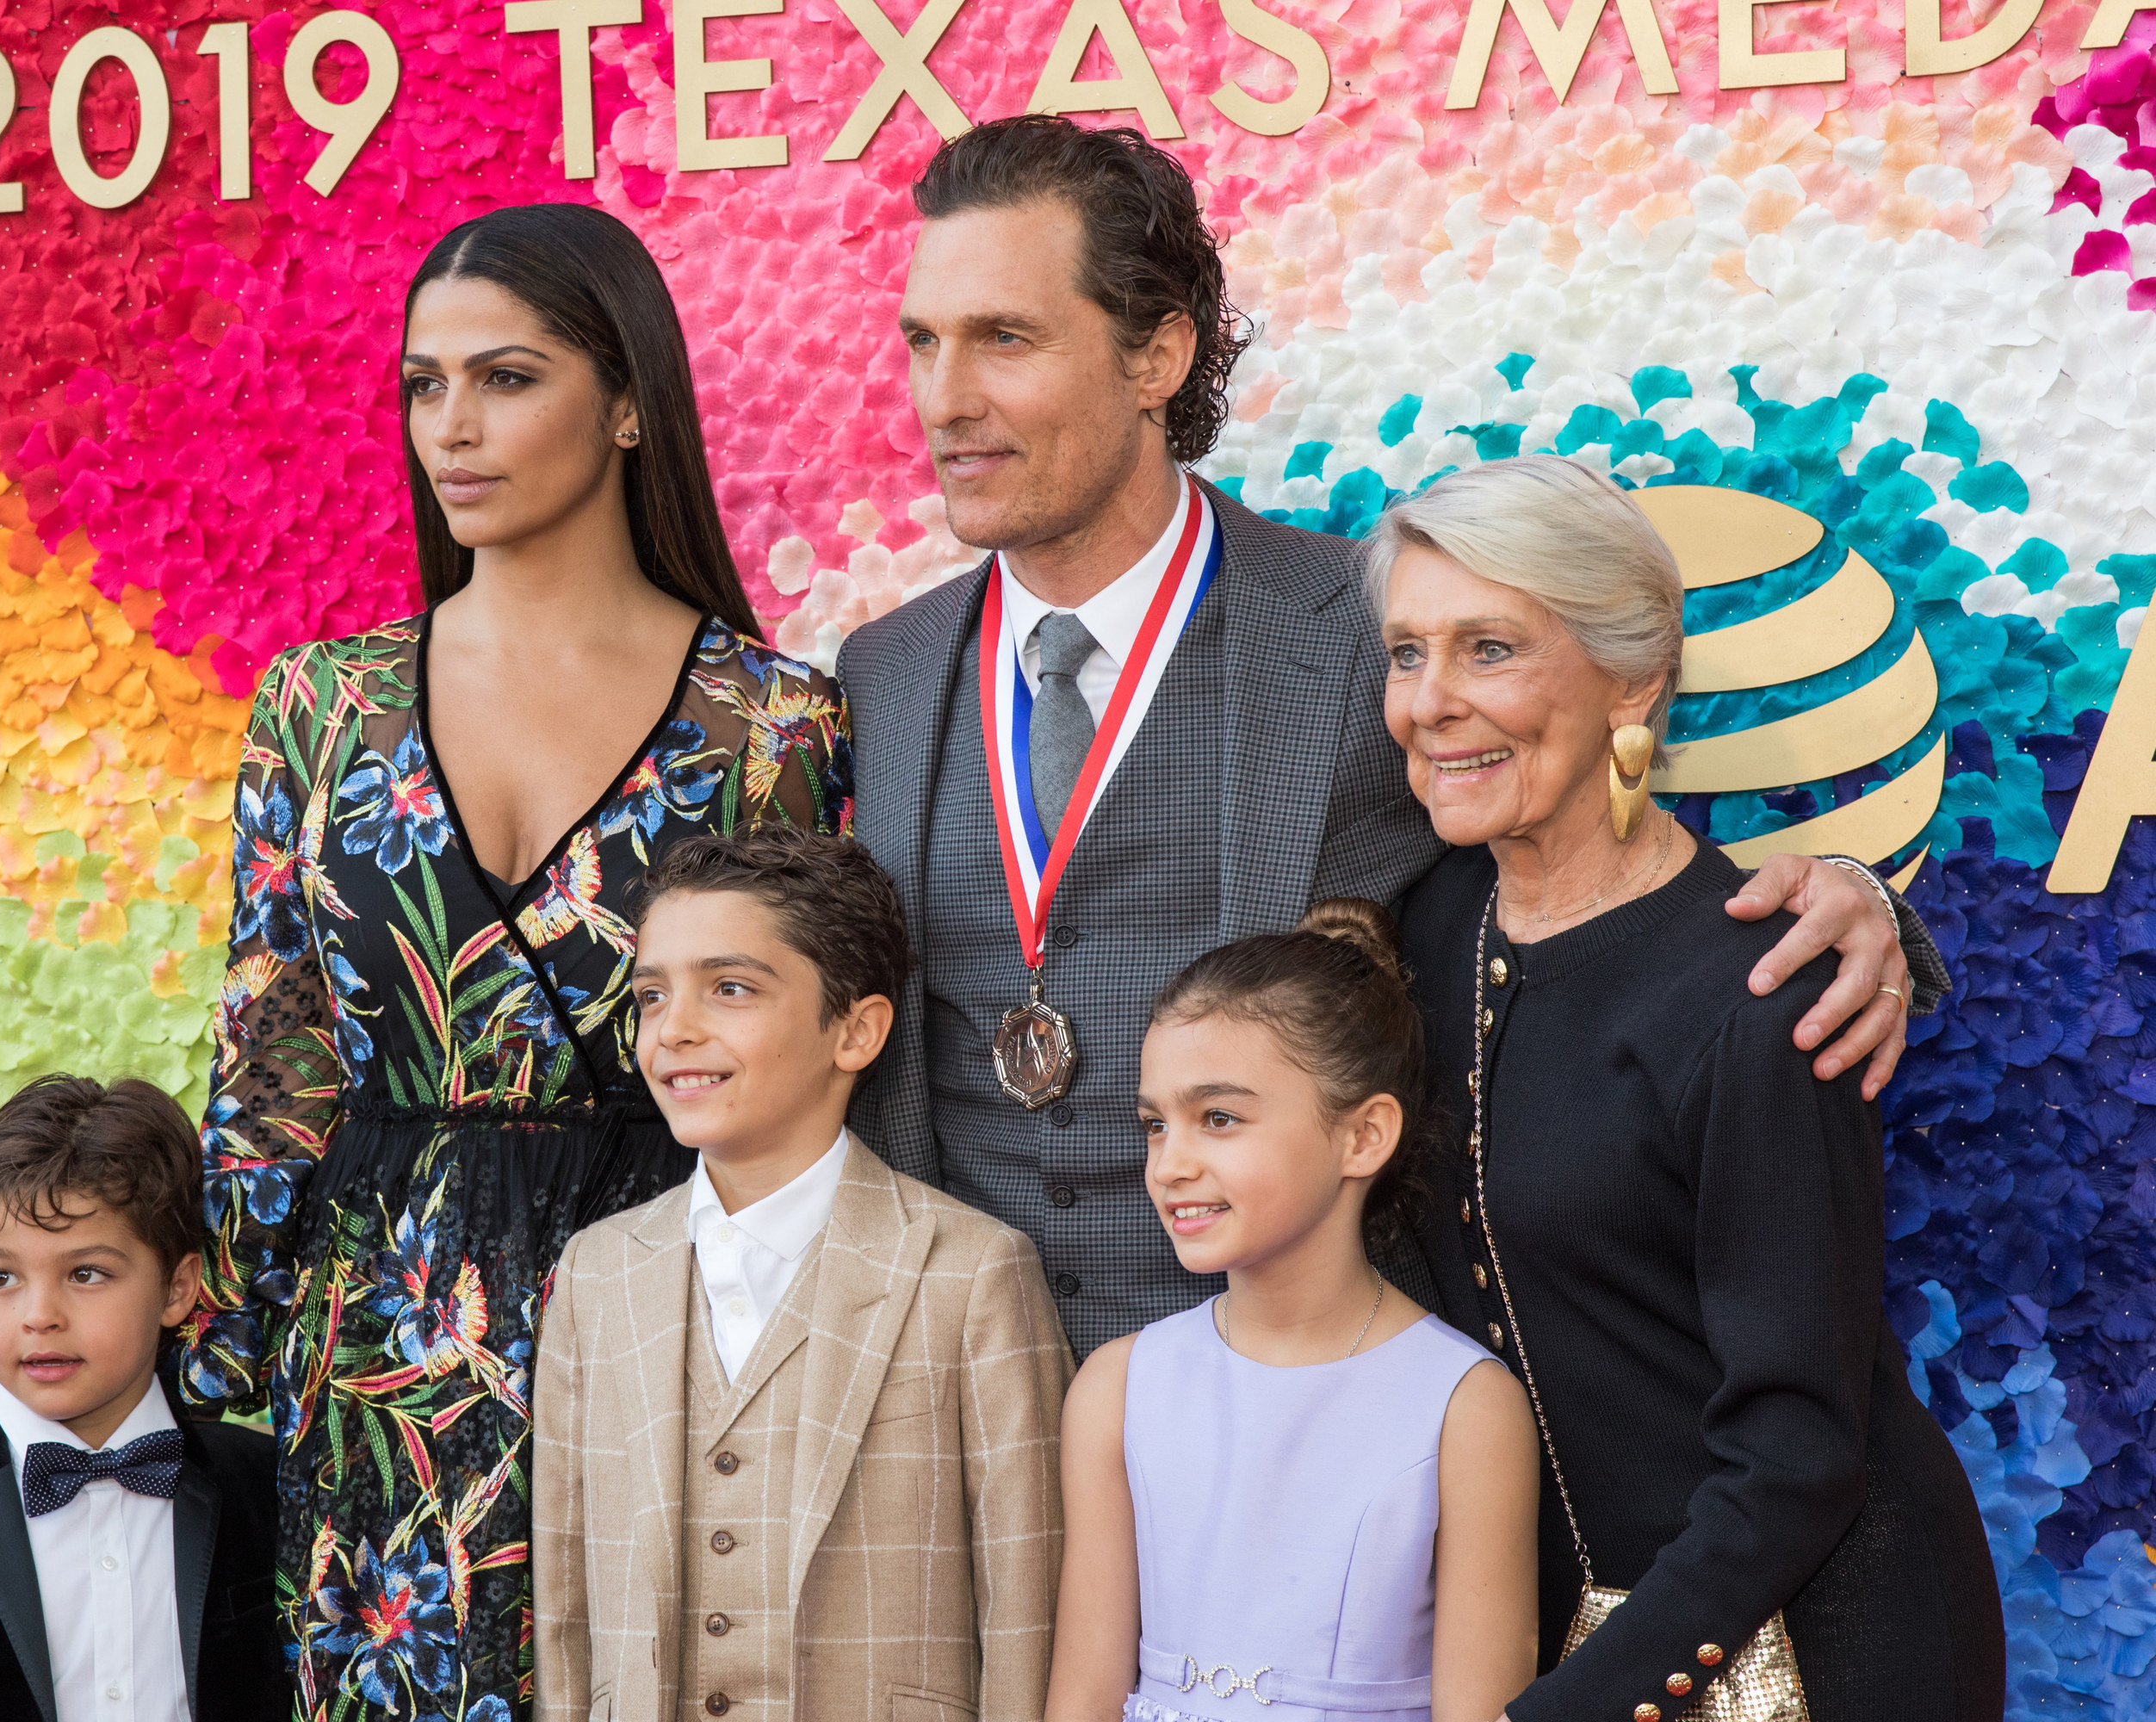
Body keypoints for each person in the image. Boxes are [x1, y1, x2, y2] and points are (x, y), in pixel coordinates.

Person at [837, 115, 1945, 1357]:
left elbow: (1587, 867)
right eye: (925, 342)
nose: (946, 400)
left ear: (1158, 355)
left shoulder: (1374, 633)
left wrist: (1845, 897)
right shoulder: (883, 675)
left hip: (1309, 1411)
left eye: (1004, 340)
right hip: (968, 1421)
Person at [181, 204, 852, 1719]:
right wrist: (235, 1358)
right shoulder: (324, 706)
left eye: (505, 378)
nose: (452, 428)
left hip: (675, 1342)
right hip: (373, 1367)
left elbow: (803, 1088)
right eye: (424, 385)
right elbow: (270, 1066)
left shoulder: (773, 729)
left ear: (627, 403)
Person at [1382, 455, 2002, 1719]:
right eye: (1406, 652)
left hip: (1823, 1655)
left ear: (1637, 679)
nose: (1430, 702)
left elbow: (1795, 1454)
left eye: (1489, 649)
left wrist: (1567, 1706)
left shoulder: (1762, 993)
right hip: (1575, 1642)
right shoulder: (1429, 926)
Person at [532, 826, 1070, 1722]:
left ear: (855, 1028)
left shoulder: (973, 1274)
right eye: (652, 995)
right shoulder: (597, 1276)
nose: (676, 1028)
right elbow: (565, 1608)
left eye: (731, 987)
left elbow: (1028, 1613)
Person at [1048, 904, 1538, 1722]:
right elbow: (1084, 1696)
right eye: (1154, 1125)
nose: (1171, 1163)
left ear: (1363, 1136)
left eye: (1220, 1119)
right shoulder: (1120, 1386)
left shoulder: (1465, 1406)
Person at [0, 1075, 287, 1722]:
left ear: (178, 1288)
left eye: (86, 1273)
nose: (39, 1315)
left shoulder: (273, 1488)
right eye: (1, 1277)